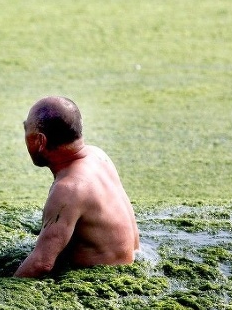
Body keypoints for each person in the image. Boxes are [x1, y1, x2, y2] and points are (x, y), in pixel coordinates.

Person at [14, 96, 139, 278]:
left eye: (26, 129)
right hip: (131, 267)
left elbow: (41, 263)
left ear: (41, 141)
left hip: (101, 283)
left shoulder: (68, 189)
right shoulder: (98, 155)